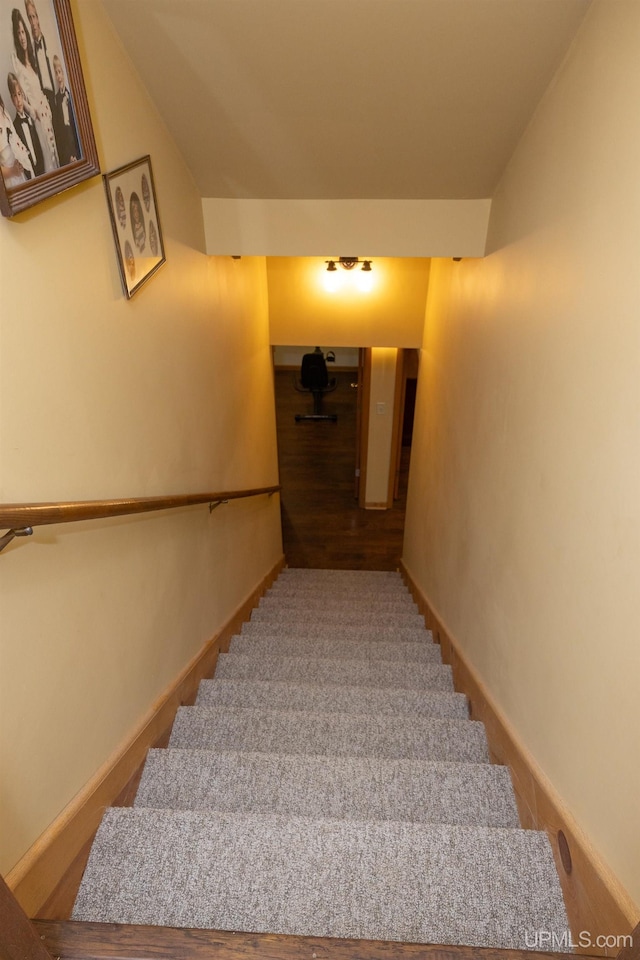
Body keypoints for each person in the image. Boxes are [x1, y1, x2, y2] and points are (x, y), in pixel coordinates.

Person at [11, 6, 58, 171]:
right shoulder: (17, 64)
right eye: (18, 33)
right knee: (47, 158)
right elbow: (23, 99)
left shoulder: (32, 59)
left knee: (55, 153)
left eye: (23, 32)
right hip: (37, 119)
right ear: (16, 37)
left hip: (47, 116)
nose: (22, 37)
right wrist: (34, 112)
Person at [8, 71, 44, 177]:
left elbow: (38, 146)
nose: (18, 100)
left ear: (23, 95)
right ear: (11, 99)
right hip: (29, 175)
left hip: (40, 170)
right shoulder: (14, 128)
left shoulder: (31, 120)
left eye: (19, 94)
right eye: (15, 96)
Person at [24, 0, 55, 113]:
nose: (32, 22)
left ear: (38, 18)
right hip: (43, 101)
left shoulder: (50, 43)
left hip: (55, 96)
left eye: (33, 17)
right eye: (29, 18)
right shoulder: (30, 50)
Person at [0, 91, 33, 186]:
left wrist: (22, 161)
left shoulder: (4, 112)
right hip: (7, 180)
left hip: (19, 173)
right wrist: (12, 171)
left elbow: (16, 139)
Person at [52, 54, 79, 165]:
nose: (58, 76)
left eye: (60, 72)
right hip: (66, 147)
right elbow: (60, 132)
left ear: (63, 73)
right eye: (56, 73)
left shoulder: (71, 97)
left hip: (75, 142)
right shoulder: (56, 100)